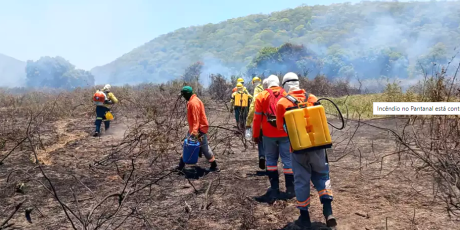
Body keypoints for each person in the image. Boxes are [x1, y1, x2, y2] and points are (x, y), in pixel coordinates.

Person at [276, 72, 337, 229]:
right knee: (322, 176)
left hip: (298, 150)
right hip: (318, 147)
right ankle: (328, 212)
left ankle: (304, 218)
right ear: (298, 83)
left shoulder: (282, 103)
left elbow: (280, 128)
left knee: (302, 181)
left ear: (285, 86)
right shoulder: (312, 98)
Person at [252, 75, 295, 204]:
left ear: (267, 84)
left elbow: (257, 118)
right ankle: (290, 190)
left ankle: (275, 189)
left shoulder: (261, 96)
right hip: (285, 134)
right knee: (287, 161)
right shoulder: (286, 94)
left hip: (268, 134)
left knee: (271, 161)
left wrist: (255, 135)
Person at [175, 86, 220, 172]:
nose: (183, 97)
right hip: (195, 129)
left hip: (198, 130)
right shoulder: (193, 100)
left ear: (187, 95)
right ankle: (180, 166)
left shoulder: (193, 103)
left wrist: (194, 132)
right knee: (187, 145)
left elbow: (196, 119)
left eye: (183, 95)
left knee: (204, 148)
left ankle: (214, 166)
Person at [245, 77, 266, 169]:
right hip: (273, 123)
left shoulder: (257, 92)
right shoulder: (267, 88)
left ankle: (262, 156)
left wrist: (248, 122)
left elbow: (253, 106)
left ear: (253, 83)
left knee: (261, 141)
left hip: (261, 123)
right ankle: (271, 161)